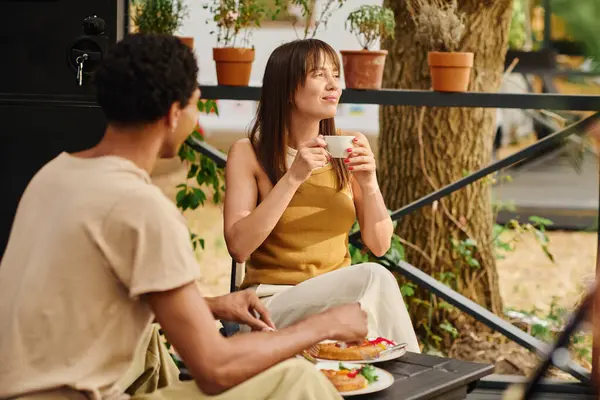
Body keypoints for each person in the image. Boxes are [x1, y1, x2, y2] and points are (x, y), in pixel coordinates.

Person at [0, 34, 369, 400]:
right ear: (174, 114)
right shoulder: (142, 207)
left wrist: (211, 306)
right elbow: (215, 368)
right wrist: (323, 325)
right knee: (296, 378)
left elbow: (87, 299)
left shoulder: (53, 175)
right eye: (195, 106)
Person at [223, 38, 420, 352]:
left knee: (372, 281)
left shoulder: (348, 145)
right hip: (273, 304)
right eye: (319, 75)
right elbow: (239, 247)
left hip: (339, 301)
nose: (334, 86)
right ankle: (416, 374)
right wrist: (293, 177)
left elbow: (380, 244)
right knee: (373, 277)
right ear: (287, 88)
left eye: (336, 75)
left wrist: (369, 183)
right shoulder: (249, 153)